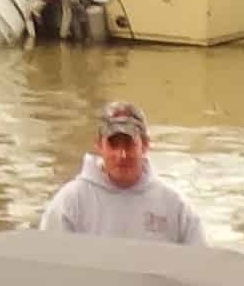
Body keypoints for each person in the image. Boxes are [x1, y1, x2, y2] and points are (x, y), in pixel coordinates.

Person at [38, 100, 208, 247]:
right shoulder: (70, 203)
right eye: (113, 144)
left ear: (146, 145)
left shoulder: (176, 207)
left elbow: (201, 266)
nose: (122, 155)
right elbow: (49, 261)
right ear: (99, 145)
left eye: (129, 144)